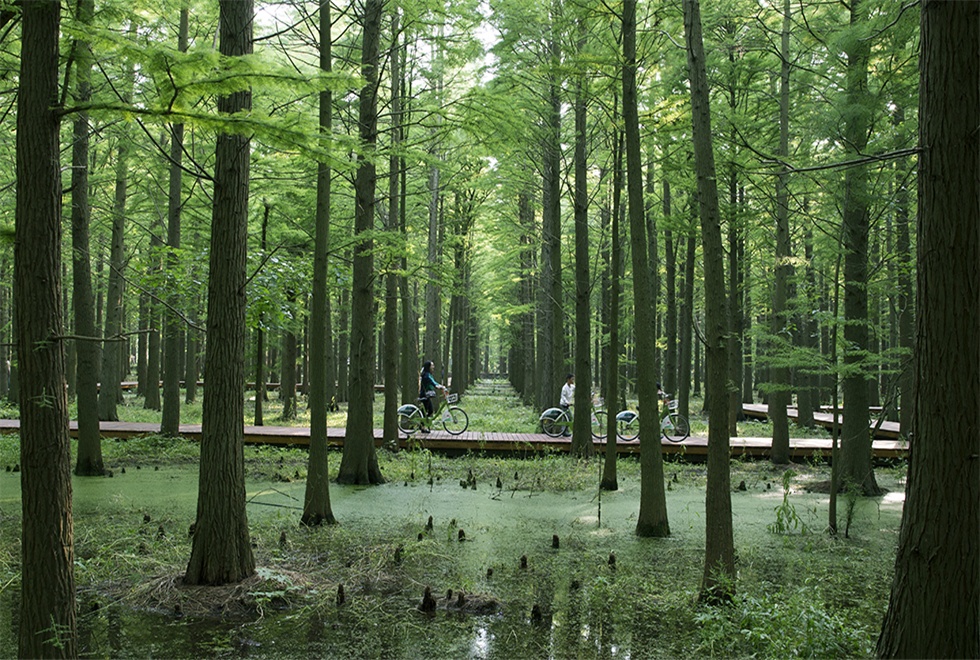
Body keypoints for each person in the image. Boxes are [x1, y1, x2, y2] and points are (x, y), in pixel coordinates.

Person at [418, 361, 445, 431]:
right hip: (424, 395)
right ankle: (422, 426)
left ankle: (422, 424)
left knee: (430, 410)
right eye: (432, 365)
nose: (433, 367)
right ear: (428, 367)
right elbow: (432, 383)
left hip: (427, 395)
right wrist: (439, 386)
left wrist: (440, 386)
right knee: (426, 411)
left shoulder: (429, 374)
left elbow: (434, 382)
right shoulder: (426, 375)